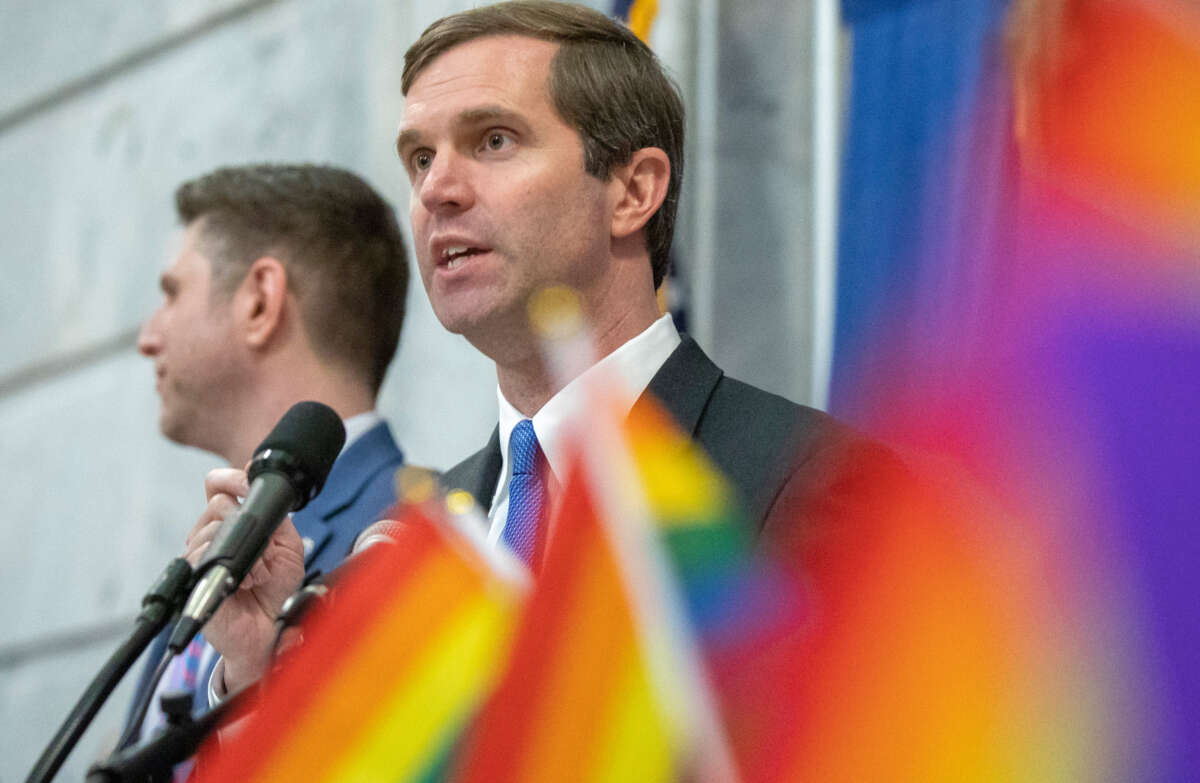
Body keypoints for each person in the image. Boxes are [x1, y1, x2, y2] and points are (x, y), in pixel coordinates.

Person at [196, 0, 901, 699]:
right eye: (419, 157)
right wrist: (267, 678)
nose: (436, 189)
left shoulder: (821, 485)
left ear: (632, 190)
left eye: (494, 140)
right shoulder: (406, 544)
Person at [122, 163, 410, 745]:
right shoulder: (209, 551)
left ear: (260, 300)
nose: (146, 336)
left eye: (173, 293)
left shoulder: (408, 536)